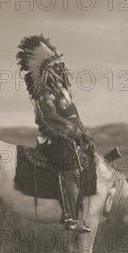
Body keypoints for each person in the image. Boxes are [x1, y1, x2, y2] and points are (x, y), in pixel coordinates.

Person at [16, 34, 94, 231]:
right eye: (57, 65)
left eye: (61, 64)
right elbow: (50, 120)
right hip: (54, 142)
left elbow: (73, 115)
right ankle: (71, 218)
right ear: (48, 70)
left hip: (69, 138)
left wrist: (84, 134)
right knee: (70, 169)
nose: (61, 68)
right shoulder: (45, 93)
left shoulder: (63, 92)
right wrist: (74, 132)